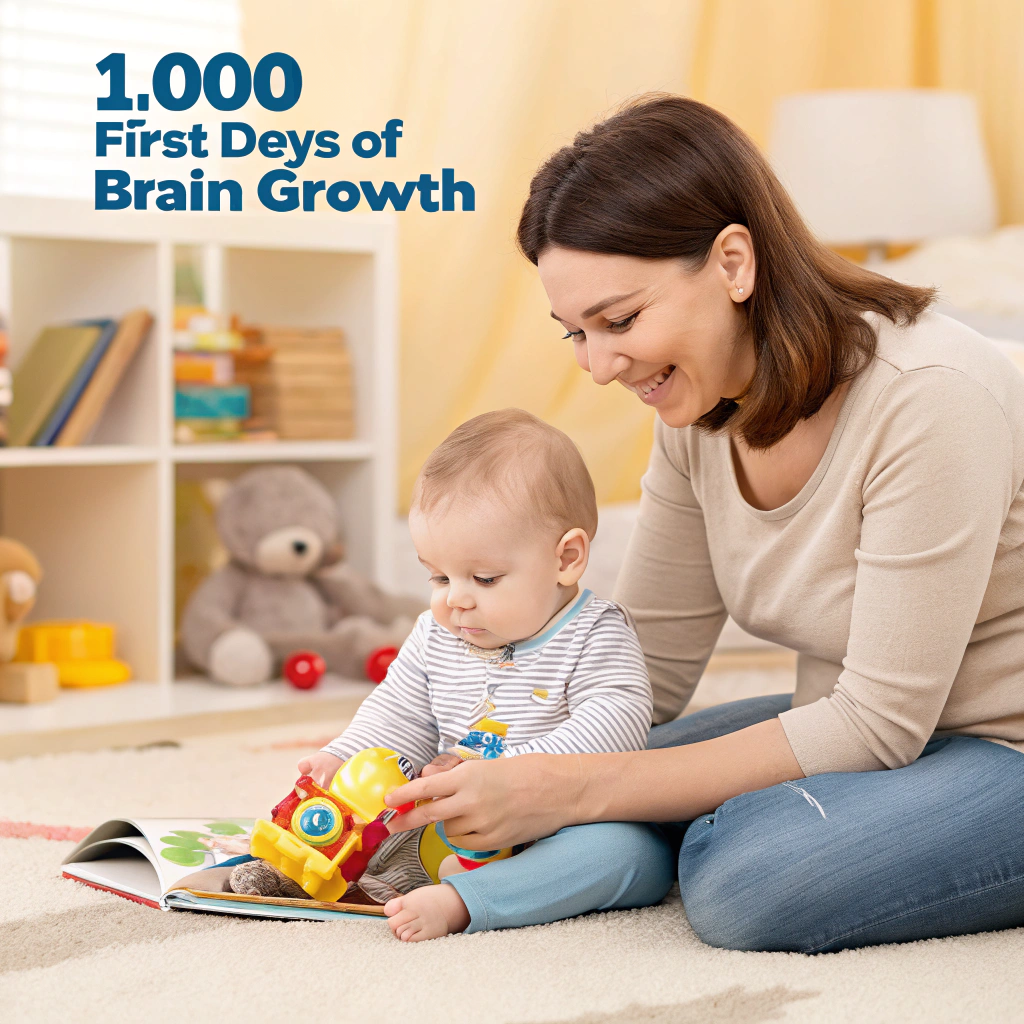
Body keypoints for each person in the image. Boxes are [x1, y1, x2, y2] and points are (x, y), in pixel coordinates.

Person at [384, 93, 1024, 952]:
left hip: (998, 747)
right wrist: (500, 757)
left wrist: (570, 794)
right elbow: (642, 665)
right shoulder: (698, 414)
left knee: (747, 882)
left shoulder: (930, 399)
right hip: (872, 727)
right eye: (574, 332)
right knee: (583, 772)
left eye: (620, 321)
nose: (601, 366)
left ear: (732, 263)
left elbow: (877, 722)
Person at [300, 408, 663, 941]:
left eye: (485, 578)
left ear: (566, 558)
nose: (455, 600)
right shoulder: (436, 633)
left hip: (556, 827)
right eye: (439, 576)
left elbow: (617, 725)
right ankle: (323, 869)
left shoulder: (595, 634)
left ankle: (467, 901)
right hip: (455, 824)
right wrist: (342, 756)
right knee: (365, 808)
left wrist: (507, 776)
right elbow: (398, 713)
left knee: (635, 854)